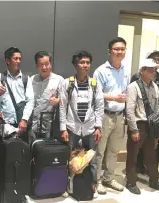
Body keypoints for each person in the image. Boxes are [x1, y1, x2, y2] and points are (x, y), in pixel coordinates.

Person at [59, 51, 104, 198]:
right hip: (72, 127)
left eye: (87, 62)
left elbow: (99, 106)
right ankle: (67, 185)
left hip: (90, 127)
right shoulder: (68, 83)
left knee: (91, 159)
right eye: (82, 62)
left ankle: (93, 185)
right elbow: (62, 107)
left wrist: (98, 127)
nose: (85, 65)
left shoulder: (94, 84)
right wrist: (63, 128)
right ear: (75, 64)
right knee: (69, 157)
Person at [125, 59, 159, 195]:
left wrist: (156, 128)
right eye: (150, 70)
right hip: (139, 124)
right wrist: (134, 129)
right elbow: (129, 110)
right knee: (133, 155)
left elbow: (156, 108)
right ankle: (131, 182)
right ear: (142, 70)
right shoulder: (133, 86)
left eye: (155, 70)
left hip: (151, 124)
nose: (153, 72)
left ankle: (154, 180)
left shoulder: (155, 86)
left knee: (152, 155)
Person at [93, 37, 129, 194]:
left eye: (122, 49)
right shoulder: (101, 71)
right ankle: (96, 180)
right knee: (100, 151)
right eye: (116, 49)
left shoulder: (126, 70)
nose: (119, 51)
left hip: (120, 115)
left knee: (114, 150)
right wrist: (113, 97)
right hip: (105, 115)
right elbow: (95, 94)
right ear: (109, 51)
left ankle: (109, 178)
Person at [130, 50, 159, 174]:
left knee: (153, 150)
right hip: (140, 121)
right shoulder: (135, 81)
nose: (154, 71)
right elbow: (130, 106)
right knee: (135, 152)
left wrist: (158, 121)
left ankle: (153, 176)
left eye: (158, 60)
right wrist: (133, 128)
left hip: (153, 121)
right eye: (153, 60)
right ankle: (135, 175)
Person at [0, 47, 34, 144]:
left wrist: (24, 120)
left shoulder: (26, 79)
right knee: (6, 153)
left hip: (22, 124)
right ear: (7, 60)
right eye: (15, 58)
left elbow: (30, 101)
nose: (18, 61)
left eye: (20, 58)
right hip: (6, 125)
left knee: (22, 152)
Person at [30, 51, 63, 140]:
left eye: (47, 64)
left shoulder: (59, 80)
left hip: (50, 125)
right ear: (37, 66)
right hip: (33, 124)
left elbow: (65, 100)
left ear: (50, 64)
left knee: (47, 151)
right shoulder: (32, 79)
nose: (44, 67)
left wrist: (58, 101)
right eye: (41, 64)